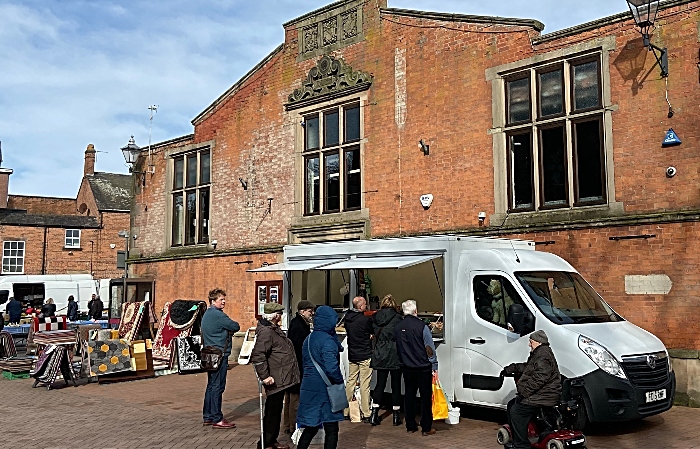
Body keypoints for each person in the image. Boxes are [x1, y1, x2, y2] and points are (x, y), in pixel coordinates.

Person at [250, 302, 300, 449]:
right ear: (275, 315)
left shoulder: (272, 329)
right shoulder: (266, 331)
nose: (281, 316)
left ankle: (271, 440)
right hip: (275, 378)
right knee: (272, 413)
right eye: (280, 313)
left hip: (280, 377)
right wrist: (265, 376)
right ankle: (265, 443)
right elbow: (258, 355)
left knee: (275, 412)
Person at [501, 330, 561, 449]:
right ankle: (519, 437)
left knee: (517, 412)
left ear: (538, 342)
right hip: (540, 394)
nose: (529, 344)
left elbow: (541, 377)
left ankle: (521, 445)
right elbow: (529, 368)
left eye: (531, 342)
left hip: (544, 395)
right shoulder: (540, 353)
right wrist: (514, 367)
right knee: (511, 404)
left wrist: (524, 391)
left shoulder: (543, 355)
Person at [295, 305, 345, 449]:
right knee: (331, 428)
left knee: (311, 425)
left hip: (309, 385)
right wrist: (339, 381)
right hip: (325, 388)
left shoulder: (309, 339)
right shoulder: (328, 341)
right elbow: (331, 368)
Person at [394, 299, 438, 436]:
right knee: (425, 398)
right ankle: (426, 427)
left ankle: (410, 425)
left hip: (407, 367)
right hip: (423, 367)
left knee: (409, 396)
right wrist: (434, 364)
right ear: (415, 311)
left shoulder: (398, 327)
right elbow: (429, 347)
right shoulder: (422, 326)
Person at [201, 288, 240, 429]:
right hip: (218, 355)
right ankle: (217, 418)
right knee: (217, 387)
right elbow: (235, 326)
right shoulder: (218, 315)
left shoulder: (207, 314)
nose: (223, 302)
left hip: (209, 355)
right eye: (221, 300)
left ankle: (208, 416)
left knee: (211, 386)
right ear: (213, 301)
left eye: (224, 299)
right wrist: (227, 329)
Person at [369, 294, 403, 426]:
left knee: (380, 384)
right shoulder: (398, 318)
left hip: (380, 352)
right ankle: (396, 417)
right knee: (396, 385)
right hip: (395, 353)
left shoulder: (375, 317)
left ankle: (374, 414)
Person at [283, 300, 315, 435]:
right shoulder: (299, 325)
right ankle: (292, 425)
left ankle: (288, 424)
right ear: (302, 311)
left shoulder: (298, 323)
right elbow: (298, 347)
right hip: (297, 365)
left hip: (293, 365)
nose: (312, 313)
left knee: (290, 397)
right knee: (294, 397)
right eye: (309, 311)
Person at [343, 296, 374, 422]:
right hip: (365, 354)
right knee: (364, 384)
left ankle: (345, 410)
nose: (366, 306)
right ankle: (366, 412)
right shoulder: (365, 320)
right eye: (365, 304)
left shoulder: (347, 319)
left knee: (350, 381)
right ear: (361, 306)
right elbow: (371, 332)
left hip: (353, 354)